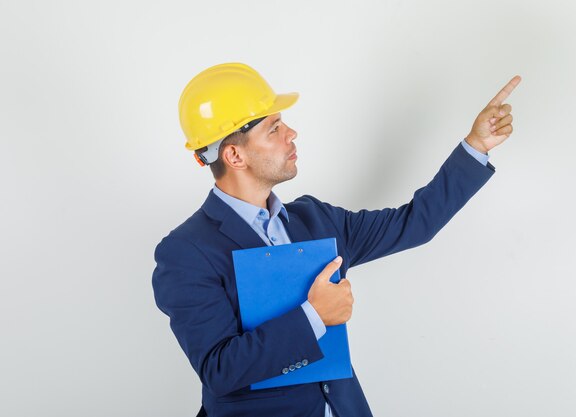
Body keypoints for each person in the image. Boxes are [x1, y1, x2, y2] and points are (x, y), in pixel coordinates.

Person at [152, 62, 521, 417]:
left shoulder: (315, 219)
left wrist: (477, 146)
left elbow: (414, 224)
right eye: (274, 128)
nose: (291, 134)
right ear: (234, 155)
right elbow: (220, 371)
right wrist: (314, 316)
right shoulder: (186, 252)